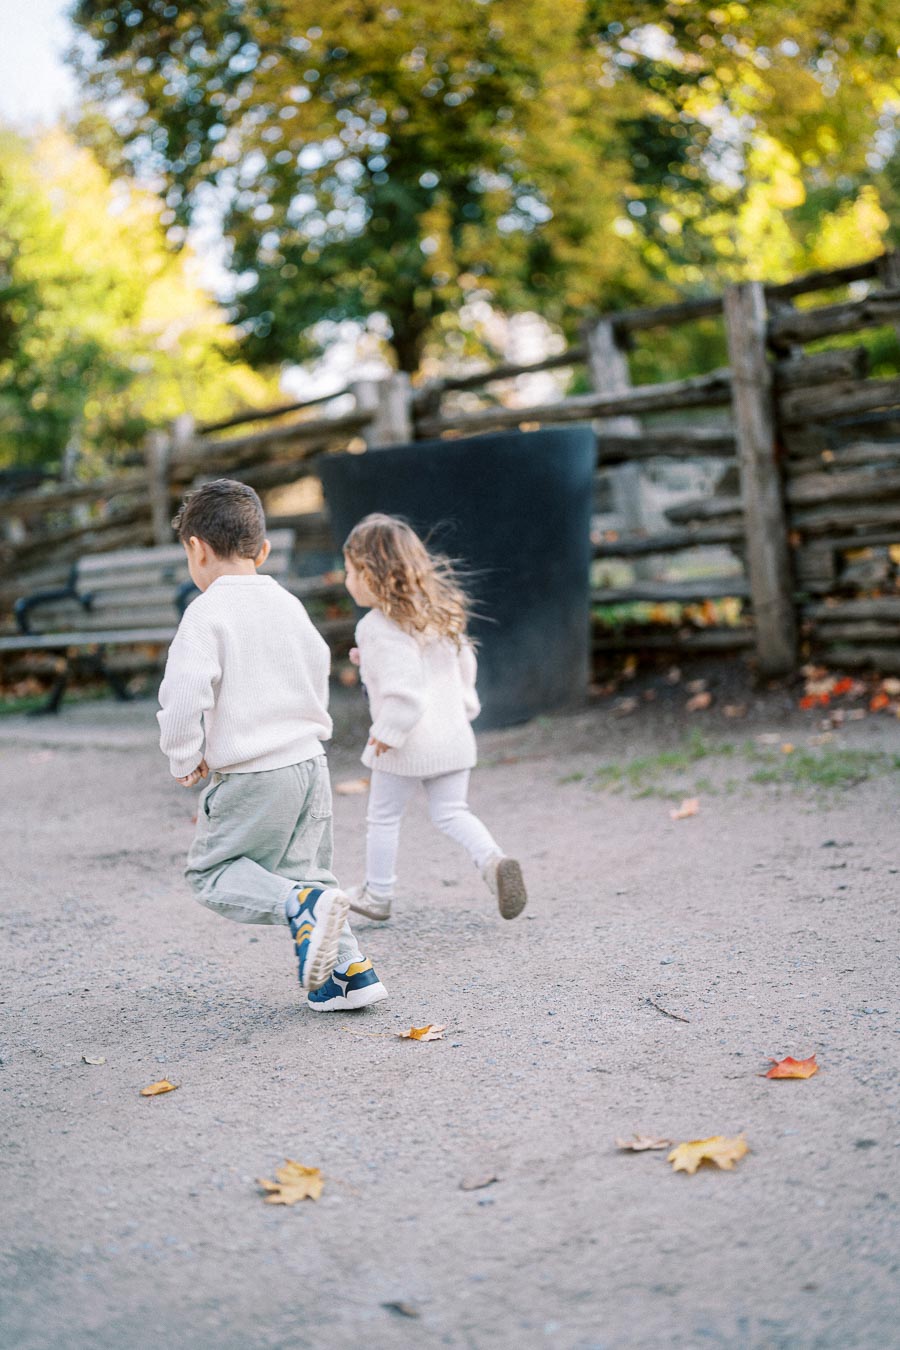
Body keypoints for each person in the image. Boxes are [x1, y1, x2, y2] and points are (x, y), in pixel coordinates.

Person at [157, 478, 387, 1012]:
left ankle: (296, 905)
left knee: (213, 873)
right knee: (314, 875)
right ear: (260, 550)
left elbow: (183, 696)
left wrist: (184, 756)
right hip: (309, 762)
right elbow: (315, 665)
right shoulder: (286, 603)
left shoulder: (206, 612)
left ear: (196, 548)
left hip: (253, 772)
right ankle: (350, 973)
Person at [342, 512, 527, 923]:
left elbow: (405, 693)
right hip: (453, 735)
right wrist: (465, 707)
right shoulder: (435, 612)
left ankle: (377, 893)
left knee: (383, 817)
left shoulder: (376, 625)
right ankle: (492, 861)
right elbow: (461, 662)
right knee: (451, 811)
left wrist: (387, 733)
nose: (346, 580)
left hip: (406, 740)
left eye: (351, 570)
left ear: (373, 575)